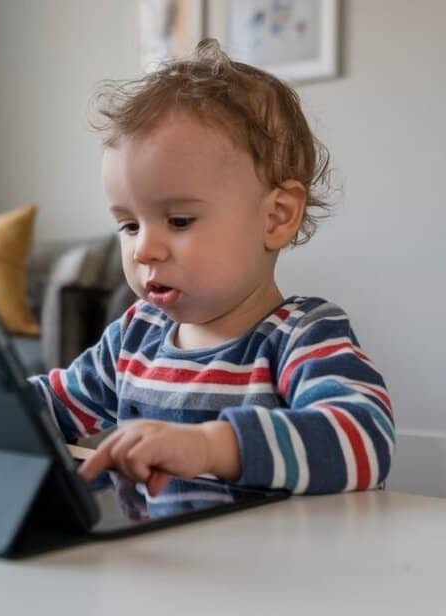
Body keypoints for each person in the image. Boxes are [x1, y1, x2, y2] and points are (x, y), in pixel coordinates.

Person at [29, 39, 394, 497]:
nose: (144, 249)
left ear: (277, 216)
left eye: (179, 220)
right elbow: (49, 407)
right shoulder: (134, 338)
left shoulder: (301, 337)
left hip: (272, 563)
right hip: (160, 561)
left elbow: (364, 440)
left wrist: (211, 446)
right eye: (127, 224)